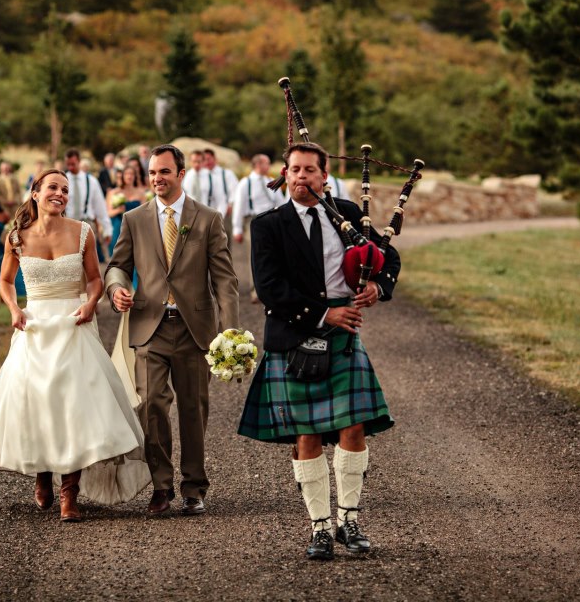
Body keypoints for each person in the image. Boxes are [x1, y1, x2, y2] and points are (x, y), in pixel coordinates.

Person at [237, 142, 400, 560]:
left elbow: (388, 256)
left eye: (310, 170)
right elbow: (271, 288)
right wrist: (326, 315)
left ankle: (349, 520)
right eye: (294, 170)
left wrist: (376, 285)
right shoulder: (268, 225)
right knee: (306, 433)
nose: (302, 177)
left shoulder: (345, 214)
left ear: (325, 177)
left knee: (354, 429)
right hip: (296, 336)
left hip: (343, 342)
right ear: (284, 175)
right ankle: (320, 528)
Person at [0, 169, 151, 521]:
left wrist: (90, 303)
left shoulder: (82, 232)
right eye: (53, 187)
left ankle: (70, 493)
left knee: (74, 404)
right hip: (34, 325)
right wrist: (13, 308)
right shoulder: (17, 237)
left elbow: (95, 279)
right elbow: (5, 281)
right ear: (35, 193)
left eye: (65, 190)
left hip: (73, 322)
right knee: (37, 402)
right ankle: (42, 475)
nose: (60, 194)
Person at [106, 144, 240, 516]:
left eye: (164, 172)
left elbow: (225, 281)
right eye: (152, 173)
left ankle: (194, 487)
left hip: (195, 329)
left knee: (193, 410)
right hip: (150, 326)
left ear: (181, 175)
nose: (156, 179)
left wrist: (230, 333)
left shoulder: (208, 218)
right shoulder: (134, 219)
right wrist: (116, 289)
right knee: (151, 406)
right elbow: (116, 266)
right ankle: (161, 486)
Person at [231, 154, 286, 303]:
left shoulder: (270, 181)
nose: (268, 166)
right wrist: (237, 228)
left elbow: (280, 202)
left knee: (274, 256)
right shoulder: (245, 183)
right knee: (254, 257)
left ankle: (273, 289)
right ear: (258, 165)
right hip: (253, 221)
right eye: (266, 163)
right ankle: (255, 291)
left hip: (272, 221)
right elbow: (239, 207)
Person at [63, 149, 112, 262]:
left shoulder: (91, 181)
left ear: (79, 162)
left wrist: (107, 229)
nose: (70, 167)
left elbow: (100, 207)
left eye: (73, 164)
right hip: (67, 224)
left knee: (88, 261)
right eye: (68, 164)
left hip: (87, 224)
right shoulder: (63, 180)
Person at [106, 164, 147, 257]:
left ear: (135, 176)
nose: (129, 176)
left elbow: (145, 214)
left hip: (135, 228)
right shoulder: (114, 192)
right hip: (118, 228)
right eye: (127, 174)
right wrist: (118, 210)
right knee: (118, 258)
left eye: (132, 174)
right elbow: (108, 213)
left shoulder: (141, 193)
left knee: (136, 257)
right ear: (122, 176)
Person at [204, 148, 239, 234]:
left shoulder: (227, 173)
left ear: (215, 159)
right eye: (204, 160)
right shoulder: (201, 176)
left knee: (225, 241)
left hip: (225, 212)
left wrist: (230, 204)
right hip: (206, 214)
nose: (207, 162)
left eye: (208, 159)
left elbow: (235, 190)